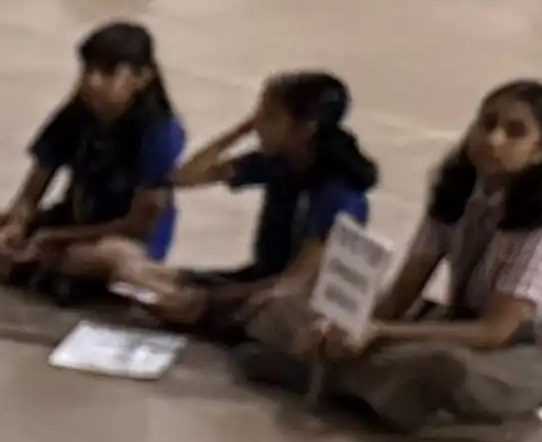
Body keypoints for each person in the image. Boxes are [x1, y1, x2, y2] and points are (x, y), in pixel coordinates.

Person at [245, 78, 542, 431]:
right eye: (487, 123)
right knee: (295, 305)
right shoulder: (455, 189)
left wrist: (380, 332)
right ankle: (350, 379)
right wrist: (349, 328)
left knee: (445, 367)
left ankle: (316, 372)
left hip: (512, 351)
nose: (493, 139)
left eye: (515, 133)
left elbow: (495, 331)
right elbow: (404, 290)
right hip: (453, 321)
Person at [97, 68, 372, 344]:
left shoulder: (339, 195)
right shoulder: (279, 162)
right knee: (129, 272)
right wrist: (244, 128)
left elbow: (294, 282)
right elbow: (185, 176)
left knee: (208, 305)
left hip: (287, 300)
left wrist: (209, 299)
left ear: (305, 129)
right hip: (255, 279)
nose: (259, 122)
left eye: (269, 115)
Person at [0, 22, 181, 290]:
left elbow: (138, 226)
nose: (92, 81)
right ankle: (45, 276)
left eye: (107, 73)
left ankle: (38, 272)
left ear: (142, 78)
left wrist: (59, 236)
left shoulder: (160, 134)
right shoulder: (75, 115)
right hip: (67, 224)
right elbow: (31, 191)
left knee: (117, 260)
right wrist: (17, 223)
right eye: (88, 70)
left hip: (117, 240)